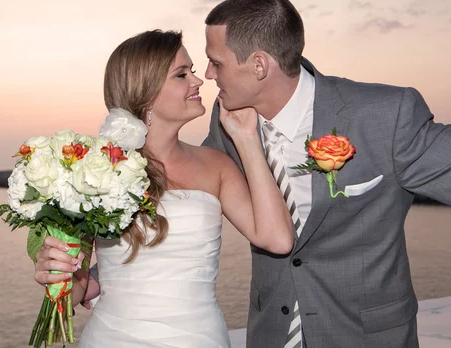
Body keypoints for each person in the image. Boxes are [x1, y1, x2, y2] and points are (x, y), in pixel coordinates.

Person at [201, 0, 451, 347]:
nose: (208, 73)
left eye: (216, 62)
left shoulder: (384, 117)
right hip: (271, 336)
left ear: (259, 65)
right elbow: (192, 179)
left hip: (365, 336)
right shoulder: (227, 120)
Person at [33, 30, 295, 348]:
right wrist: (57, 277)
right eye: (182, 75)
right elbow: (75, 290)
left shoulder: (216, 165)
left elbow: (278, 240)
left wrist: (247, 138)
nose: (198, 82)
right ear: (147, 92)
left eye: (193, 71)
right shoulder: (94, 171)